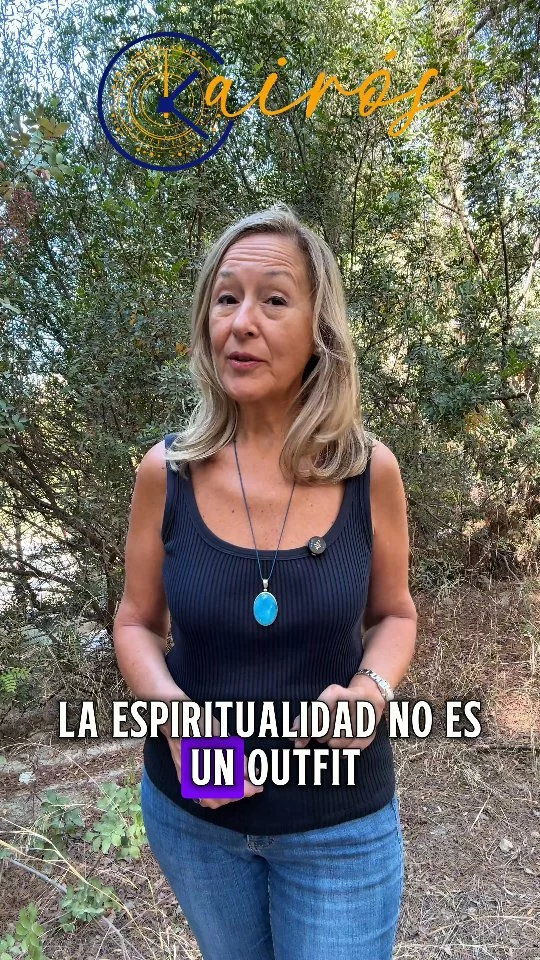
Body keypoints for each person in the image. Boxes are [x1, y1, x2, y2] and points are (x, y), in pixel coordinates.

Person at [113, 202, 417, 960]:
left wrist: (371, 691)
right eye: (226, 299)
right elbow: (136, 622)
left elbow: (396, 615)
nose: (241, 323)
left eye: (273, 300)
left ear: (319, 331)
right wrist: (176, 718)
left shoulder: (369, 472)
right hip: (197, 823)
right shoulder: (167, 473)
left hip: (338, 825)